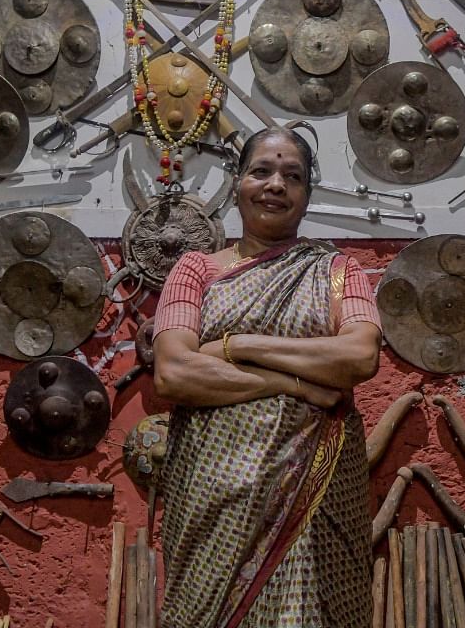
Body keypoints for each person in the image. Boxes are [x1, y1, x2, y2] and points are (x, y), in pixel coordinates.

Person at [152, 126, 383, 627]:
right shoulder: (194, 270)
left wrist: (239, 345)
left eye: (292, 176)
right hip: (210, 503)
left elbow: (360, 357)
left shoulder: (339, 271)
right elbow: (172, 373)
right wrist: (294, 383)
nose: (275, 184)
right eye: (261, 171)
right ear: (237, 184)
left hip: (312, 505)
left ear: (306, 195)